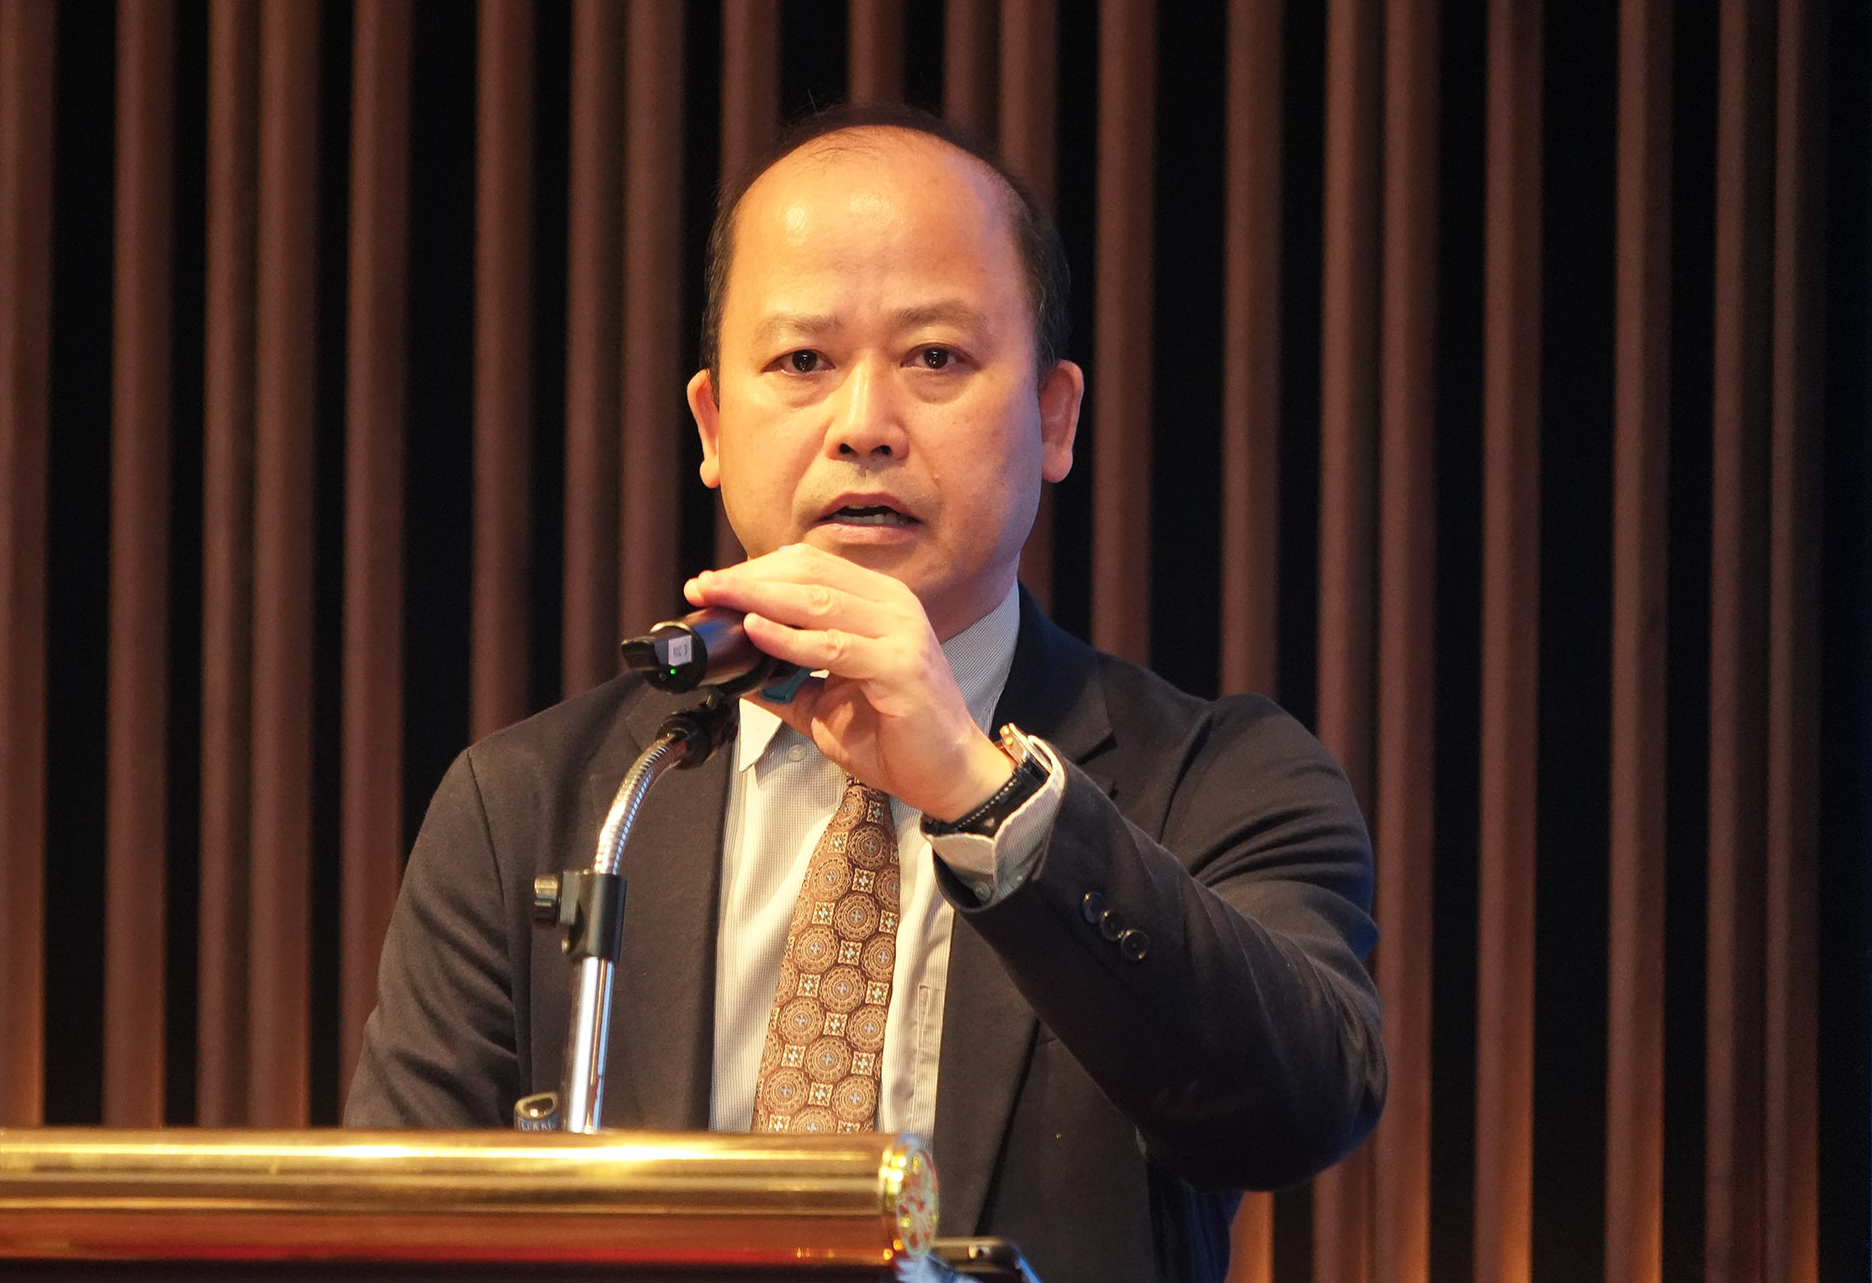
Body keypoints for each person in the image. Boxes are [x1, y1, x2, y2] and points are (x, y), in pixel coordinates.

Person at [344, 104, 1385, 1283]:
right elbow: (395, 1232)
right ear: (712, 426)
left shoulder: (1218, 776)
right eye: (803, 362)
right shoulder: (537, 801)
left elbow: (1298, 1109)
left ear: (1053, 418)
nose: (863, 427)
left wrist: (984, 797)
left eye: (935, 358)